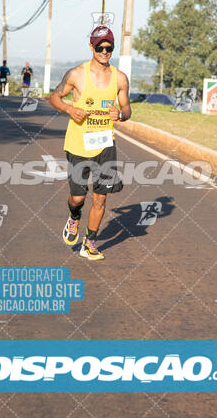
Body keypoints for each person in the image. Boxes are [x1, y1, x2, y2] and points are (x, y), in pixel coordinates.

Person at [49, 26, 131, 261]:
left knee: (101, 197)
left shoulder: (120, 78)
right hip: (78, 145)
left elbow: (127, 109)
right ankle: (74, 217)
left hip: (106, 144)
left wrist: (121, 115)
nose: (105, 51)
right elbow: (54, 97)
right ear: (91, 47)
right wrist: (69, 109)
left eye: (109, 47)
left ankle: (89, 243)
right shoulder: (77, 74)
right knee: (78, 198)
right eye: (100, 47)